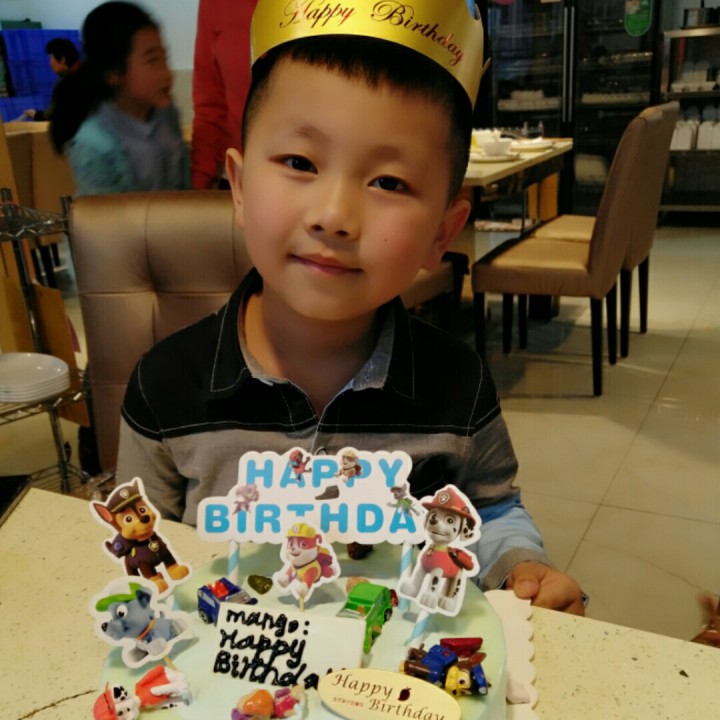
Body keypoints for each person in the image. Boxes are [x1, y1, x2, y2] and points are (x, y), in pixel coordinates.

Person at [117, 0, 585, 615]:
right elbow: (142, 543)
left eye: (388, 182)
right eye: (300, 163)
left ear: (442, 234)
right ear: (239, 186)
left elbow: (490, 509)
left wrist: (521, 565)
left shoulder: (457, 384)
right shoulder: (165, 386)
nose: (334, 216)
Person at [50, 1, 189, 196]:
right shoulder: (94, 146)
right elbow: (107, 214)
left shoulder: (166, 113)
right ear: (114, 73)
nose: (167, 74)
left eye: (164, 58)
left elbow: (184, 187)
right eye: (152, 60)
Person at [191, 0, 257, 189]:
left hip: (313, 175)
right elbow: (210, 109)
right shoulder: (216, 5)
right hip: (238, 181)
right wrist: (199, 187)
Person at [22, 37, 81, 121]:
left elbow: (55, 114)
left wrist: (35, 115)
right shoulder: (86, 75)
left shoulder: (66, 83)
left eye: (51, 58)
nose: (50, 63)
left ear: (62, 59)